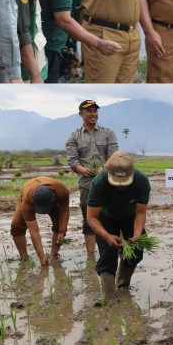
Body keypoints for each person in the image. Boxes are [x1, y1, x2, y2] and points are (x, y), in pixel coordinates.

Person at [86, 151, 151, 301]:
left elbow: (140, 213)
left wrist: (136, 235)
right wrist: (106, 235)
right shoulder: (99, 182)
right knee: (108, 254)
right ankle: (108, 297)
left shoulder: (141, 180)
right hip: (106, 217)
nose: (120, 186)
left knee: (135, 251)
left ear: (132, 173)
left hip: (130, 216)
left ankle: (122, 286)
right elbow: (91, 217)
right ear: (109, 172)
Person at [65, 100, 119, 255]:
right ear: (81, 114)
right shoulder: (74, 136)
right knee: (89, 219)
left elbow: (114, 155)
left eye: (95, 111)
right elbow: (72, 160)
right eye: (89, 111)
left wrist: (103, 168)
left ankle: (116, 247)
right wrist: (82, 169)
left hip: (109, 181)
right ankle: (91, 256)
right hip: (87, 183)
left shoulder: (108, 133)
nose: (93, 114)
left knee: (114, 215)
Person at [10, 176, 70, 266]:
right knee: (16, 226)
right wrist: (41, 257)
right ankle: (24, 257)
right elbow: (34, 231)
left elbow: (64, 210)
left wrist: (62, 231)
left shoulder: (61, 191)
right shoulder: (27, 200)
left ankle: (54, 255)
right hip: (28, 196)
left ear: (53, 197)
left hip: (53, 202)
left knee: (58, 227)